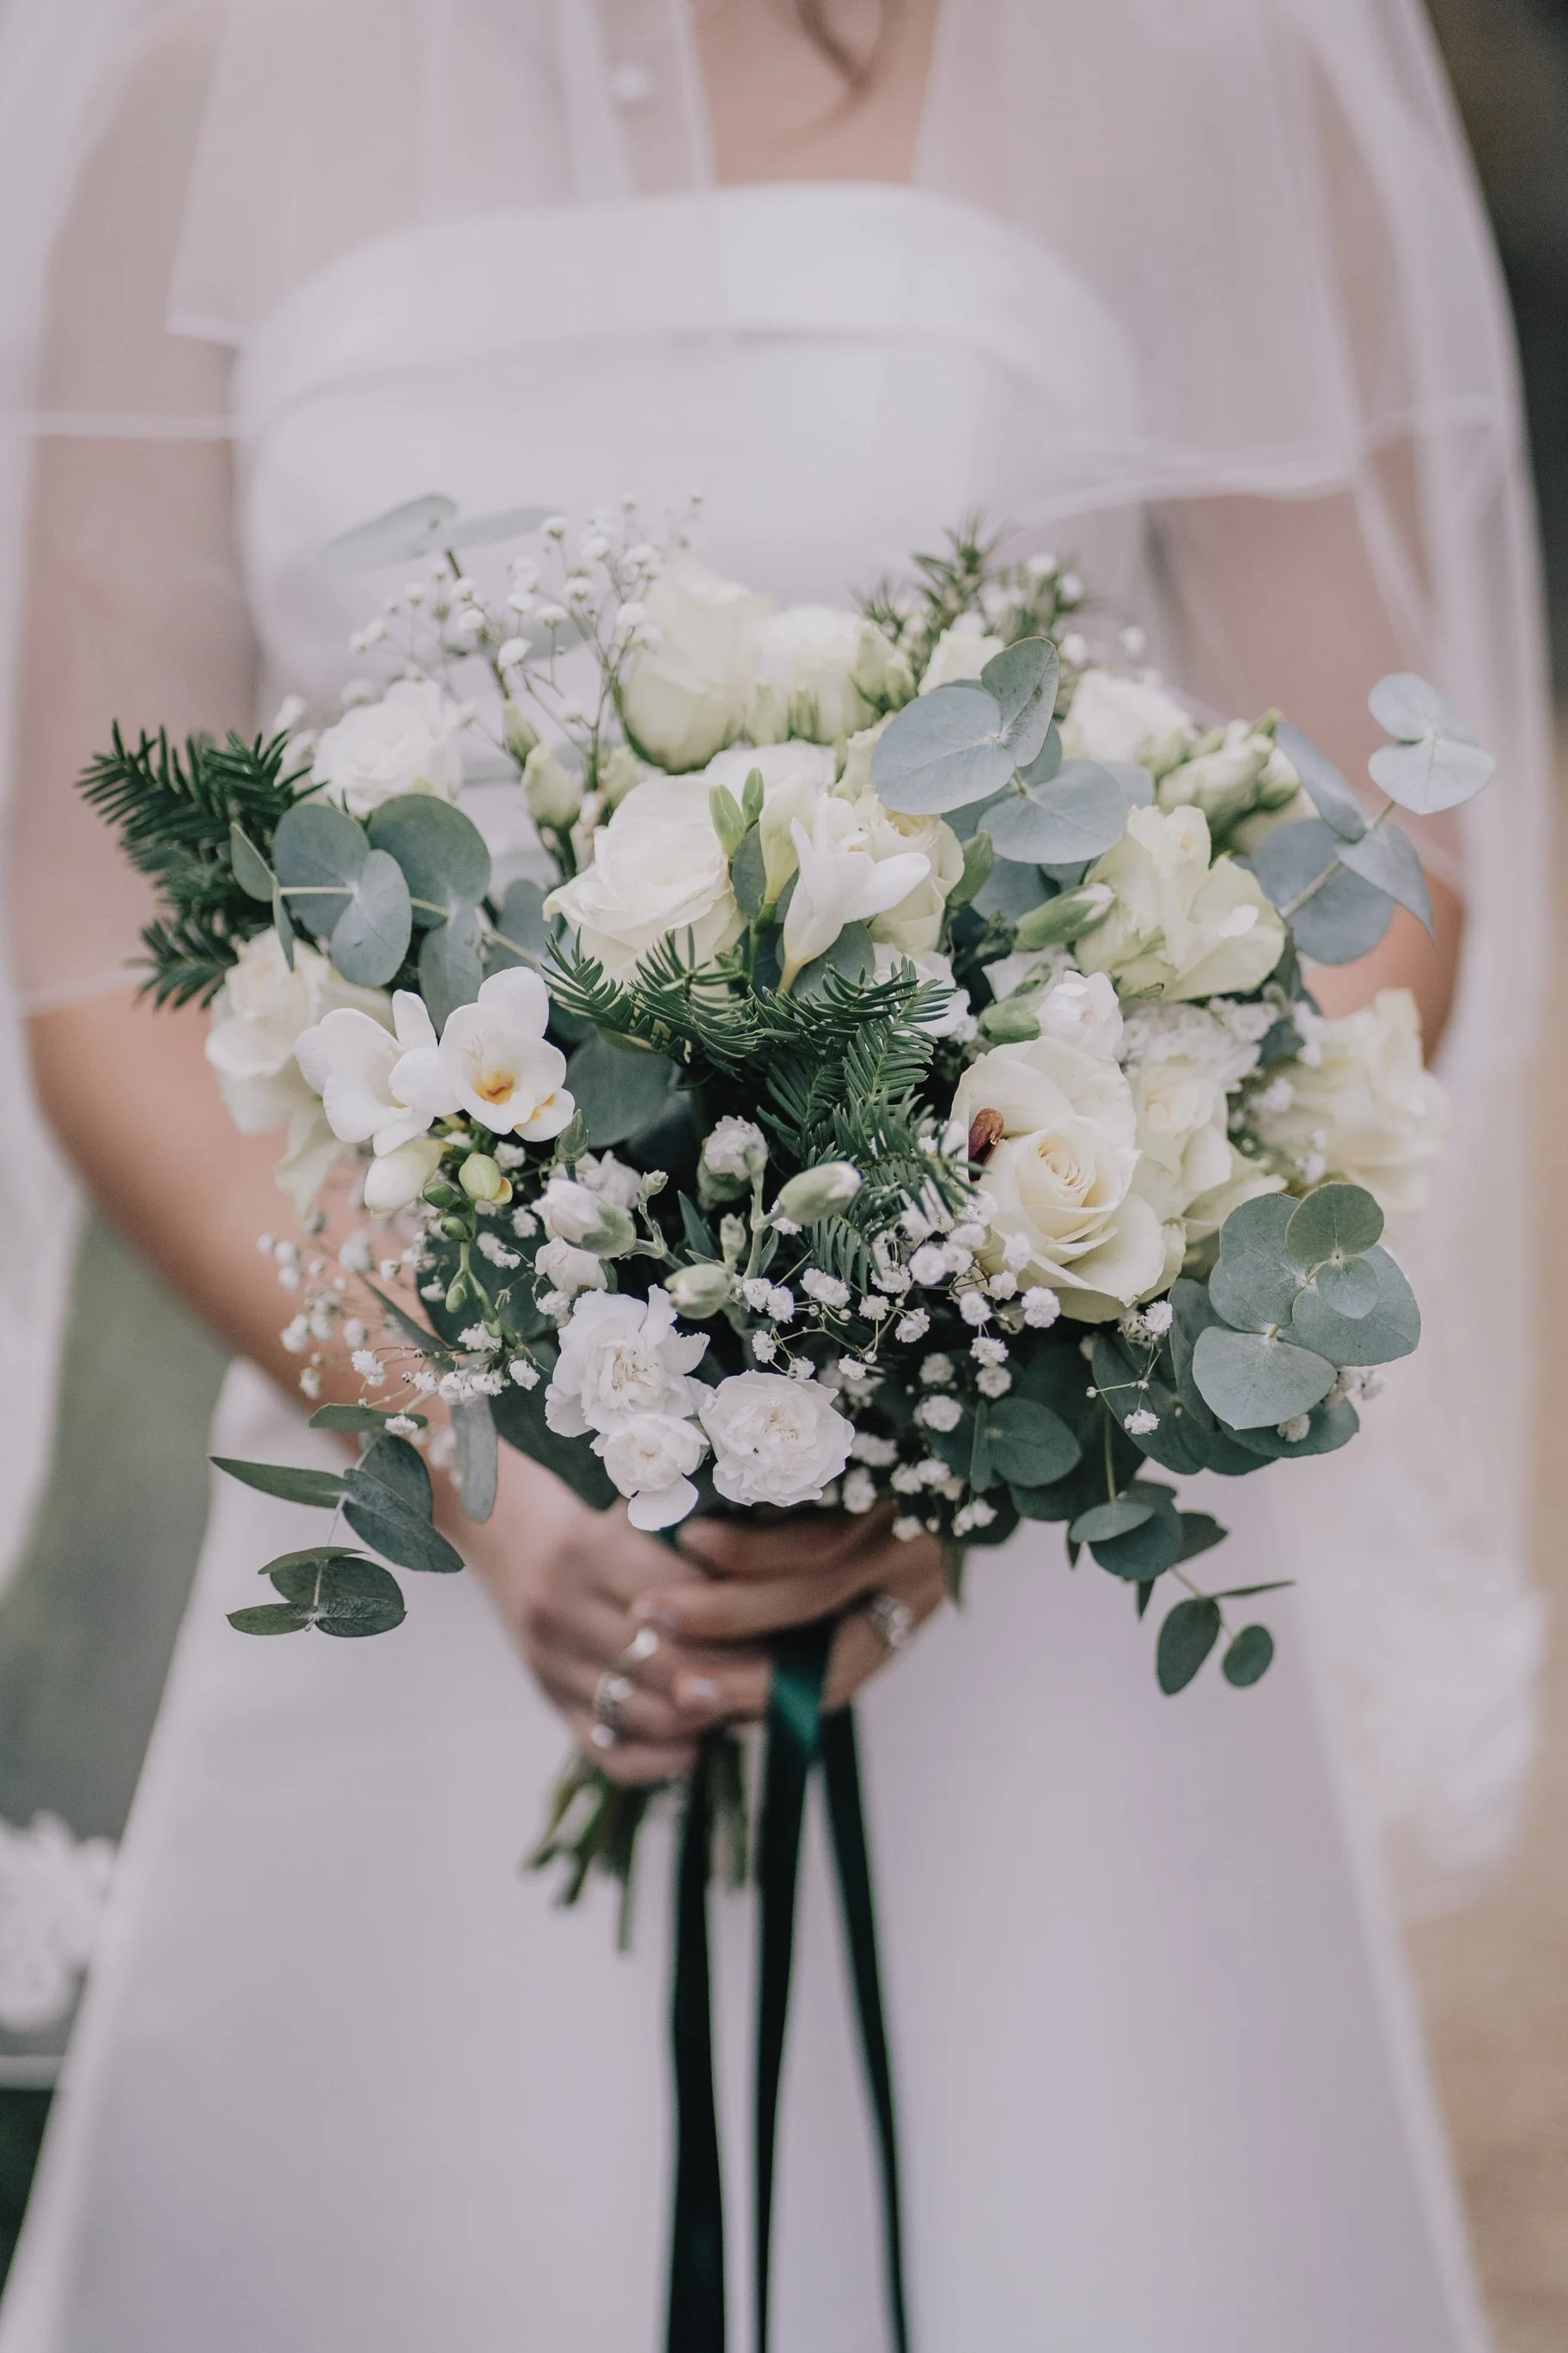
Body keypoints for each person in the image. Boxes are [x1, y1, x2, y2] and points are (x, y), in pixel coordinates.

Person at [0, 1, 1548, 2345]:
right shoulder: (203, 73)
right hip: (422, 1539)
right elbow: (93, 942)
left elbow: (1382, 839)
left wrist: (1008, 1368)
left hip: (1031, 1573)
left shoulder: (1177, 55)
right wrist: (471, 1456)